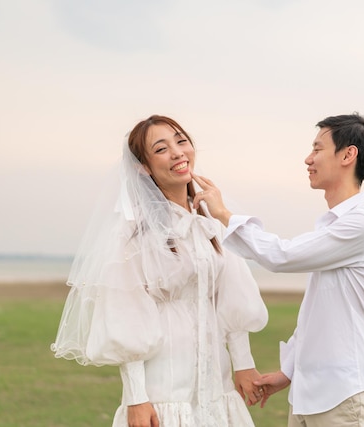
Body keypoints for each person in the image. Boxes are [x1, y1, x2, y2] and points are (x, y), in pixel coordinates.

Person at [51, 115, 269, 427]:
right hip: (163, 392)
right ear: (144, 167)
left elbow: (232, 297)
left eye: (181, 141)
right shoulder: (133, 234)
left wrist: (244, 364)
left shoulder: (208, 221)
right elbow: (125, 319)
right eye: (161, 149)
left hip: (216, 387)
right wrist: (136, 397)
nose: (178, 153)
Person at [193, 112, 364, 426]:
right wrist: (288, 372)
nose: (308, 159)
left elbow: (281, 256)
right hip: (310, 397)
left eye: (317, 148)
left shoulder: (360, 225)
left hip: (343, 395)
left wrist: (222, 214)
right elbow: (318, 313)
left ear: (348, 155)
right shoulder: (335, 226)